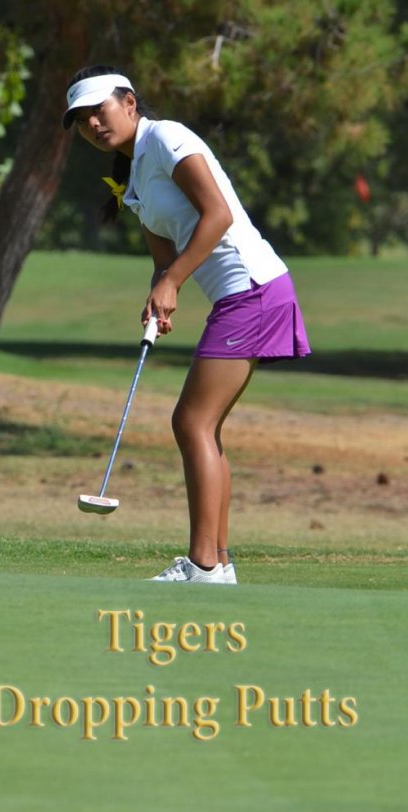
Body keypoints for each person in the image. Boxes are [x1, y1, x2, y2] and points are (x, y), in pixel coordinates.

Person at [63, 65, 311, 584]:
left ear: (129, 102)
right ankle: (217, 564)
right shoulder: (134, 180)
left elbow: (216, 215)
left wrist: (174, 280)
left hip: (253, 288)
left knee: (190, 422)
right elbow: (165, 257)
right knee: (203, 426)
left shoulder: (167, 137)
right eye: (82, 120)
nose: (92, 125)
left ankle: (203, 564)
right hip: (241, 297)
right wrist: (160, 292)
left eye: (99, 111)